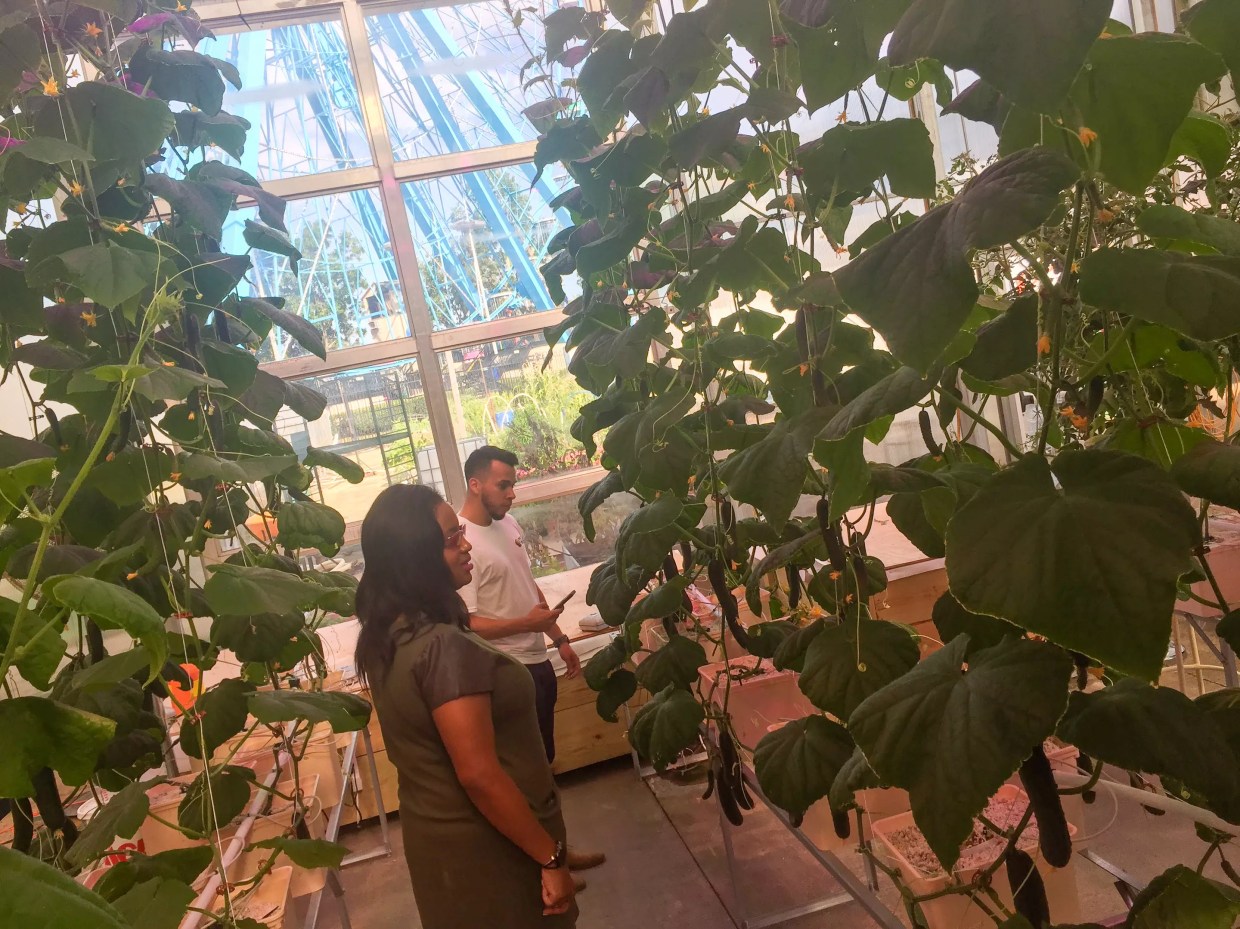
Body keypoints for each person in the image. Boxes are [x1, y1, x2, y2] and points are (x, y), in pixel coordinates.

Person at [354, 483, 577, 928]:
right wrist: (549, 856)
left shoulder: (388, 635)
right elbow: (479, 774)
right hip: (491, 851)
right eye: (452, 537)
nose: (466, 544)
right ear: (417, 556)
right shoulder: (442, 648)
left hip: (442, 847)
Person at [459, 446, 607, 879]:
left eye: (513, 485)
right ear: (475, 484)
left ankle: (557, 852)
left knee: (544, 764)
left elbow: (529, 588)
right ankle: (537, 868)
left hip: (538, 661)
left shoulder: (507, 525)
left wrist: (558, 637)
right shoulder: (463, 543)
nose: (512, 494)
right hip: (506, 670)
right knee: (521, 772)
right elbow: (467, 624)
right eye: (503, 485)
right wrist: (526, 624)